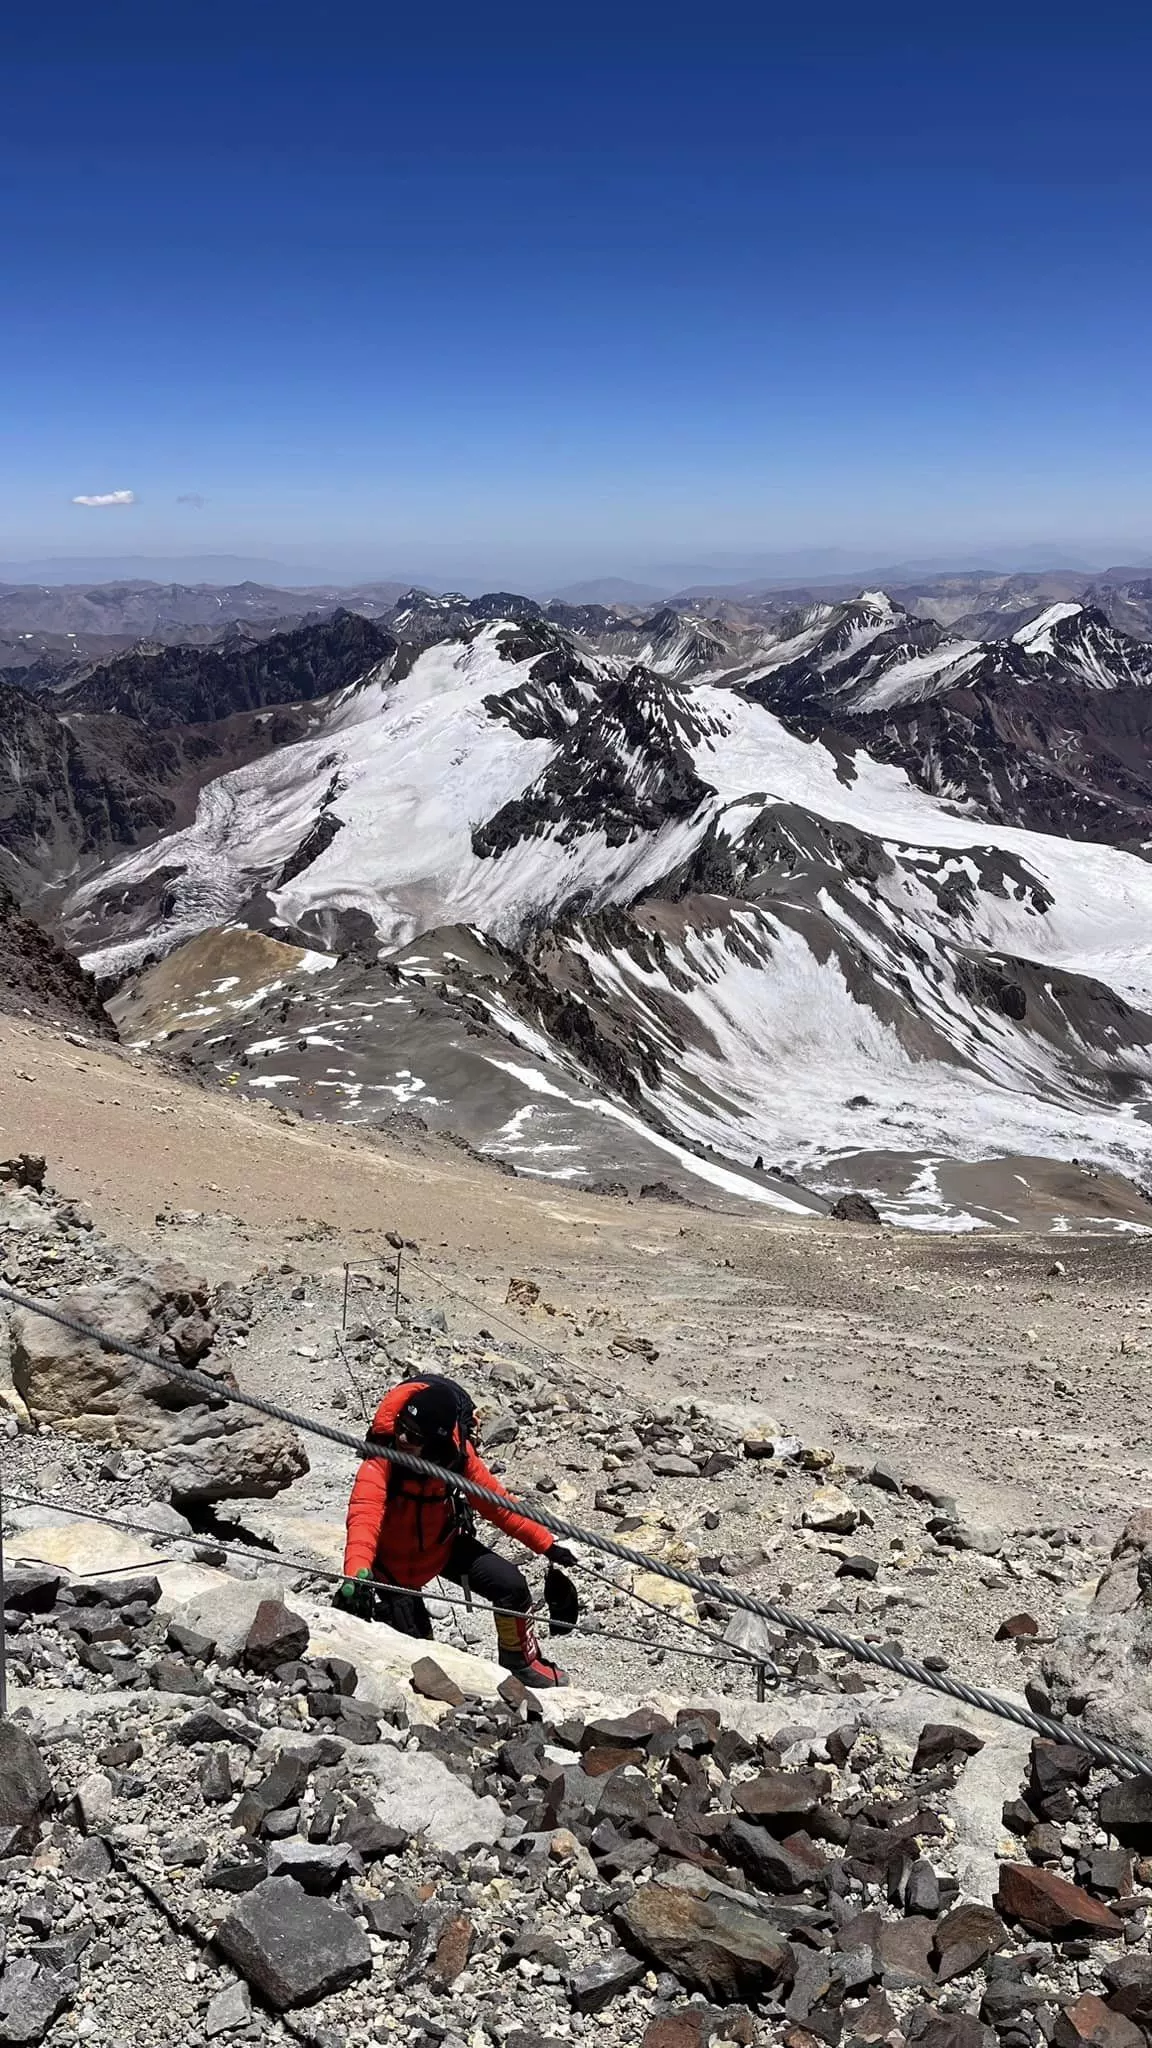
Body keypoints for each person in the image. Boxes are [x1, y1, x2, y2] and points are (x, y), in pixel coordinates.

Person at [334, 1375, 575, 1688]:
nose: (403, 1438)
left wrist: (546, 1544)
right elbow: (364, 1516)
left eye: (415, 1436)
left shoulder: (457, 1460)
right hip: (391, 1568)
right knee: (420, 1652)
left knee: (511, 1587)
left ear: (436, 1441)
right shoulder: (382, 1457)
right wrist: (358, 1573)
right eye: (402, 1427)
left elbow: (498, 1505)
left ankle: (522, 1664)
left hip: (441, 1547)